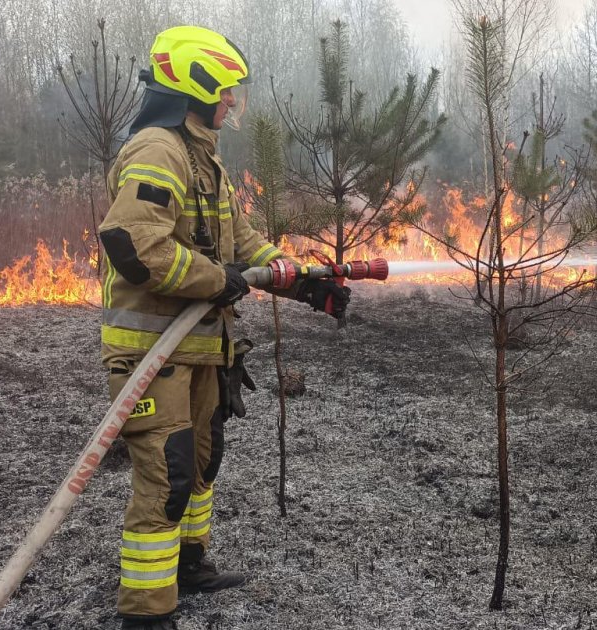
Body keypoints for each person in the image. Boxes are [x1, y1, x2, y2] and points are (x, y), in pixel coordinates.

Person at [97, 25, 348, 630]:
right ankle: (146, 612)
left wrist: (301, 280)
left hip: (201, 347)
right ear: (195, 86)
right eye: (225, 89)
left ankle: (188, 566)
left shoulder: (203, 159)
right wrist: (216, 280)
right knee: (169, 473)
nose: (232, 100)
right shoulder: (158, 150)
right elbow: (133, 244)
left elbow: (242, 245)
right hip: (153, 351)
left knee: (203, 460)